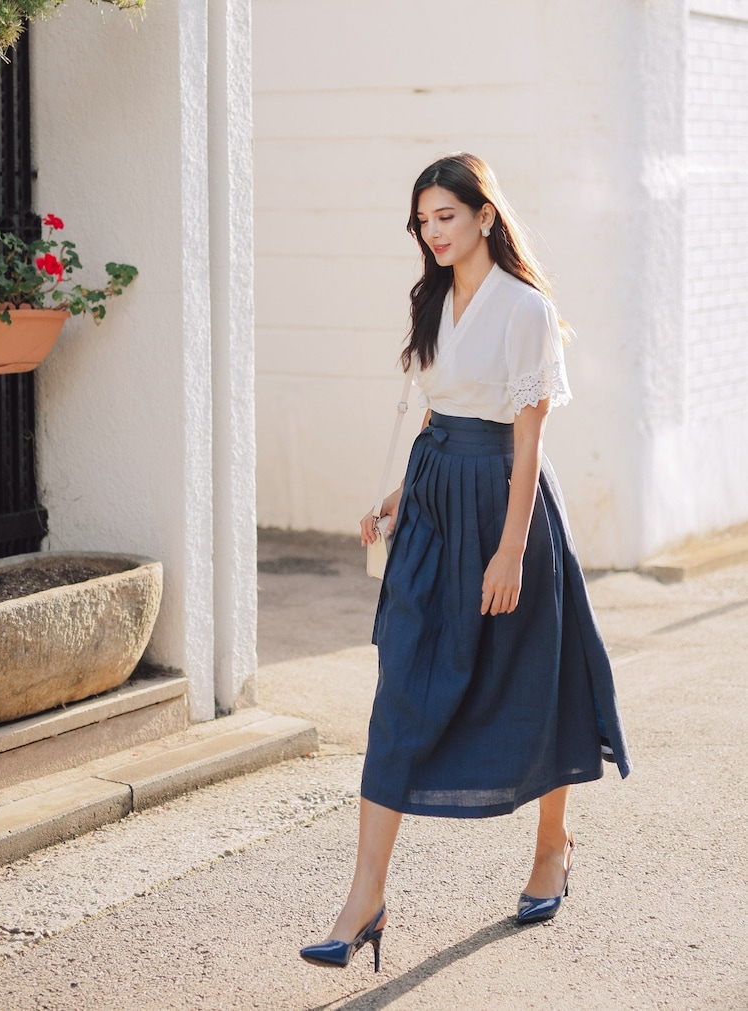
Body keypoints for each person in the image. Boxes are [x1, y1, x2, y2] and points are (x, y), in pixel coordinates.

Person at [299, 153, 632, 974]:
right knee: (401, 689)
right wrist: (399, 498)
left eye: (445, 214)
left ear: (485, 215)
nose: (433, 232)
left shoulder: (526, 308)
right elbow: (434, 420)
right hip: (436, 499)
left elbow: (530, 437)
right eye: (422, 220)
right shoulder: (431, 301)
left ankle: (551, 845)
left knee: (534, 676)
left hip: (507, 505)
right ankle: (363, 900)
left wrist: (512, 548)